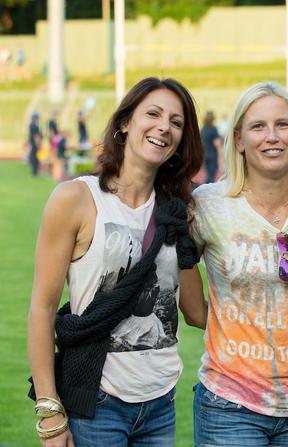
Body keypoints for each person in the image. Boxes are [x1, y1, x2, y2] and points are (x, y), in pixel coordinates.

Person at [27, 77, 205, 447]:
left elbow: (194, 312)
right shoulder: (76, 199)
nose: (164, 127)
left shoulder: (178, 211)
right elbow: (42, 309)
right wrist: (49, 410)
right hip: (97, 402)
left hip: (161, 402)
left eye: (176, 121)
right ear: (125, 122)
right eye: (152, 114)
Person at [181, 81, 288, 446]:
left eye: (282, 124)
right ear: (239, 140)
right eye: (258, 126)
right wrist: (214, 321)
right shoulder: (210, 205)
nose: (272, 136)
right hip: (229, 404)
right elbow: (187, 288)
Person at [200, 110, 221, 183]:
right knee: (211, 176)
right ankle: (204, 190)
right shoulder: (214, 129)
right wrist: (221, 156)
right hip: (213, 155)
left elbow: (201, 143)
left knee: (209, 174)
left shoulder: (203, 129)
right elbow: (217, 144)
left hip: (205, 155)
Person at [28, 112, 42, 176]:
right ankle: (35, 171)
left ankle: (35, 171)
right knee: (34, 157)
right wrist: (38, 145)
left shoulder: (31, 125)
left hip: (33, 144)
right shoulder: (35, 126)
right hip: (35, 144)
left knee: (33, 157)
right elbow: (36, 136)